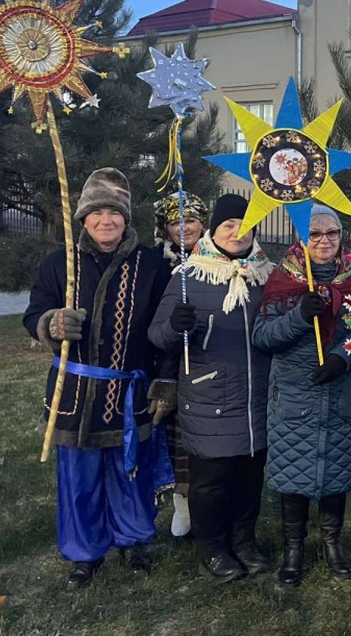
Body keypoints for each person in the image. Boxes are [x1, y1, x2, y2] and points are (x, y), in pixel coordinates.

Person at [24, 168, 170, 589]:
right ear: (83, 218)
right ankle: (85, 553)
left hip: (130, 389)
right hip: (74, 392)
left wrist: (166, 382)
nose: (106, 221)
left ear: (126, 218)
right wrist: (51, 323)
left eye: (114, 212)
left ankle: (133, 541)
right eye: (97, 213)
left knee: (130, 472)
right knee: (79, 479)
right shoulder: (60, 264)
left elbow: (161, 333)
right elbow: (33, 313)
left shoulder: (151, 265)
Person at [148, 194, 274, 583]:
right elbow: (157, 335)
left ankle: (244, 541)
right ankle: (213, 549)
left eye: (244, 224)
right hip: (209, 396)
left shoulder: (267, 275)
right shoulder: (190, 275)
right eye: (227, 226)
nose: (237, 232)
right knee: (212, 481)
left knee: (250, 478)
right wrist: (177, 326)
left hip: (256, 397)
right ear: (214, 231)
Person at [251, 205, 351, 585]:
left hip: (341, 392)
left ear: (341, 237)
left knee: (336, 470)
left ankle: (332, 541)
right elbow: (263, 336)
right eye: (315, 234)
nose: (324, 241)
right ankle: (294, 548)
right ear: (302, 238)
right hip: (295, 396)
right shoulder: (282, 280)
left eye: (331, 234)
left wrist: (343, 358)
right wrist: (298, 317)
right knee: (294, 473)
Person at [150, 191, 209, 539]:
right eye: (175, 221)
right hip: (170, 361)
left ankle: (209, 503)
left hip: (209, 357)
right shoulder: (159, 264)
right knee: (176, 439)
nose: (183, 227)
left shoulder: (217, 256)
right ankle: (182, 503)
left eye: (190, 219)